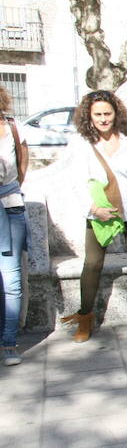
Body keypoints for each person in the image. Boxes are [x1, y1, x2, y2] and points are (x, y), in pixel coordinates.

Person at [60, 90, 127, 342]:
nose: (103, 119)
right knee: (92, 264)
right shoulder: (81, 142)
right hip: (99, 211)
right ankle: (85, 317)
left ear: (116, 113)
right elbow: (76, 181)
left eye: (107, 113)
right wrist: (93, 208)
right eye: (98, 114)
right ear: (89, 115)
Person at [0, 85, 28, 365]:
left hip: (10, 208)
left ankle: (9, 344)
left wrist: (15, 186)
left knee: (12, 281)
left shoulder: (12, 126)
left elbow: (23, 159)